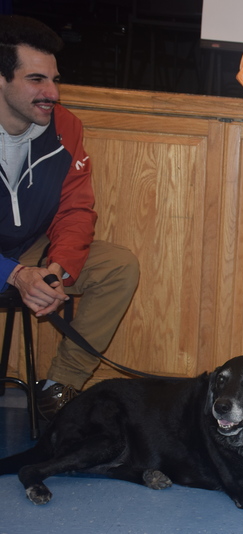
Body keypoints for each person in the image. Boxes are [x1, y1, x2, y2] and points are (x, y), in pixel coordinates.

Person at [0, 16, 139, 420]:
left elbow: (75, 209)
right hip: (8, 261)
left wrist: (58, 268)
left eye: (55, 80)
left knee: (117, 266)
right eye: (37, 80)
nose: (52, 93)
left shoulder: (65, 127)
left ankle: (59, 388)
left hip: (29, 246)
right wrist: (13, 274)